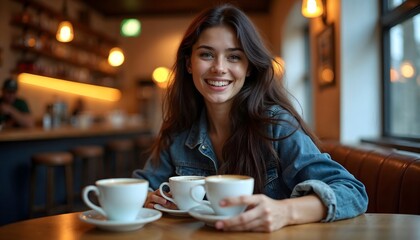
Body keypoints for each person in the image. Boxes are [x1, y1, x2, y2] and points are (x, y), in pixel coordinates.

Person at [133, 4, 368, 232]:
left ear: (249, 68)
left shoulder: (276, 125)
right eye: (206, 54)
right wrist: (149, 198)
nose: (219, 68)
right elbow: (141, 186)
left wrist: (284, 211)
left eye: (234, 57)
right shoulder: (178, 132)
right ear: (189, 64)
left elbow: (352, 192)